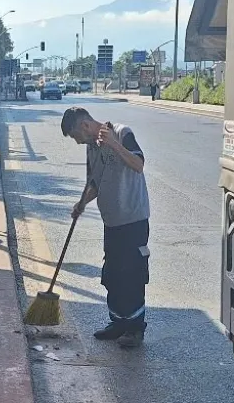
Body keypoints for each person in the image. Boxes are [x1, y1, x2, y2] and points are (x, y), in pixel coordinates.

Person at [61, 107, 150, 348]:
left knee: (131, 274)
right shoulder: (92, 148)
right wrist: (81, 204)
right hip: (111, 221)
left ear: (85, 126)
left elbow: (138, 164)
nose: (78, 142)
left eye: (75, 136)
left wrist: (113, 144)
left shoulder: (122, 133)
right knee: (112, 275)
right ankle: (118, 323)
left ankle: (134, 329)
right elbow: (95, 184)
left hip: (133, 219)